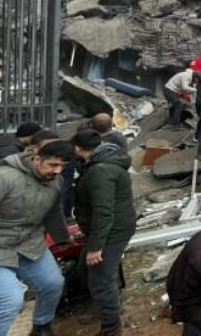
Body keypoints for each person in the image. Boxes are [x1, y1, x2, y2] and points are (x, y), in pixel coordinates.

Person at [0, 140, 74, 336]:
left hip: (29, 243)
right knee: (11, 299)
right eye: (53, 165)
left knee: (53, 283)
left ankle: (41, 326)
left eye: (63, 167)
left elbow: (53, 213)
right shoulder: (6, 178)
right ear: (37, 159)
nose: (58, 171)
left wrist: (63, 237)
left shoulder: (56, 182)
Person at [71, 130, 136, 336]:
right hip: (107, 229)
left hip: (111, 231)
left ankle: (112, 327)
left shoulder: (100, 170)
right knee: (88, 272)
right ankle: (109, 307)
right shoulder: (103, 161)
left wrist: (96, 246)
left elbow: (103, 210)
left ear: (77, 148)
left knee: (100, 280)